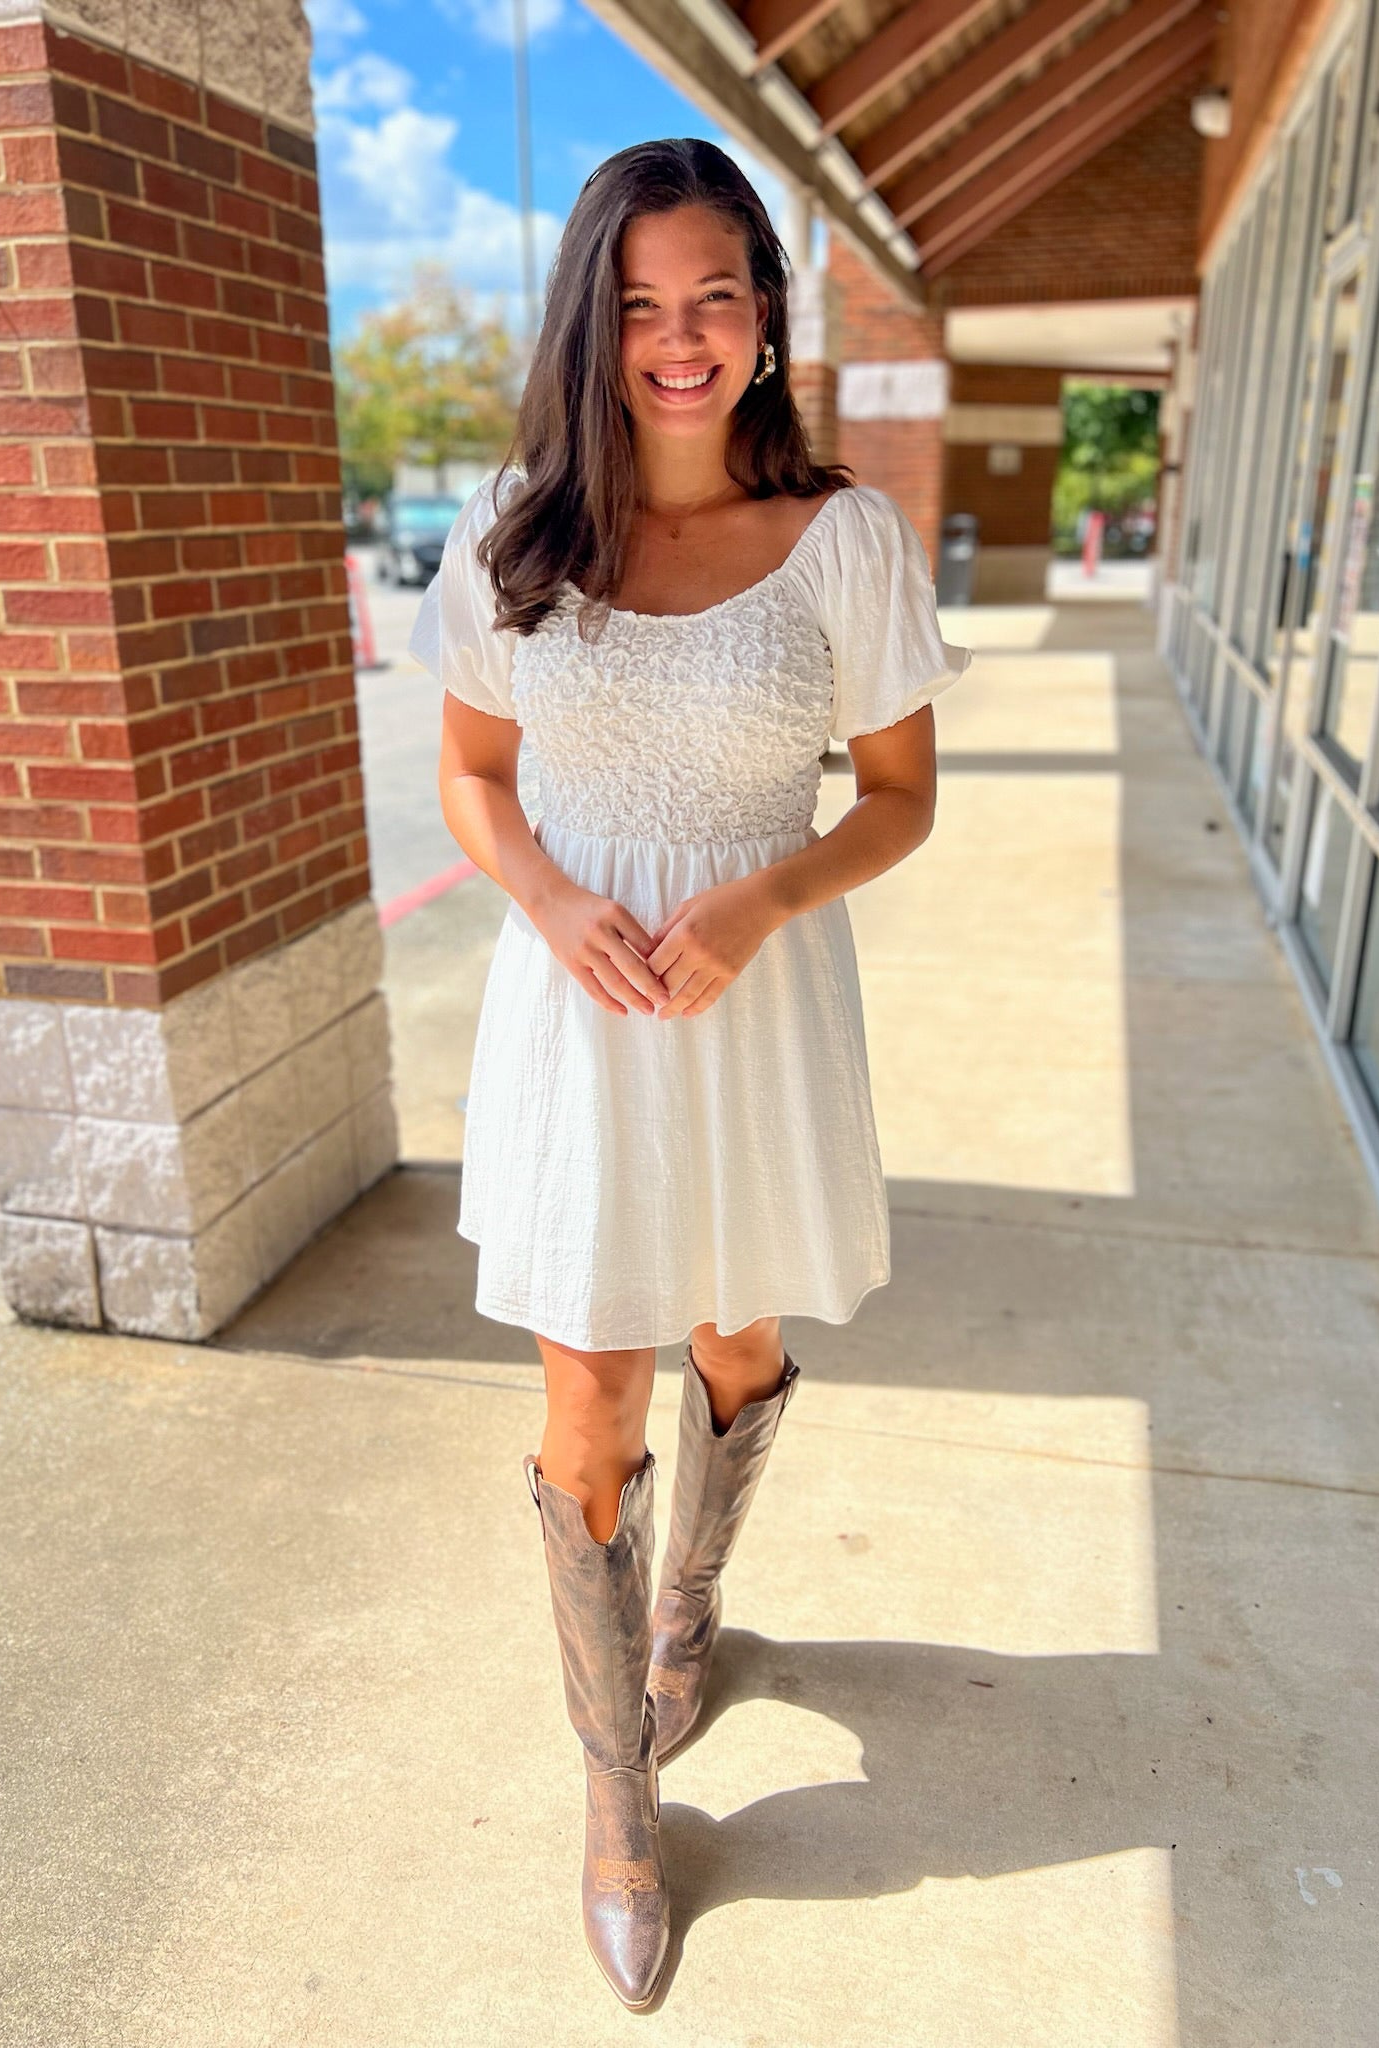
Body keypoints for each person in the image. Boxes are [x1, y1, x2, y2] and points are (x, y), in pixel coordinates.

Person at [410, 137, 972, 2011]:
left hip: (755, 1012)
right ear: (594, 320)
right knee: (592, 1404)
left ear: (766, 312)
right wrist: (556, 895)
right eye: (640, 302)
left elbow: (899, 801)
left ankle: (693, 1601)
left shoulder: (845, 543)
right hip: (577, 1021)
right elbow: (473, 780)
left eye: (715, 293)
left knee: (736, 1343)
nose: (679, 335)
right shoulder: (514, 530)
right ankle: (614, 1792)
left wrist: (763, 895)